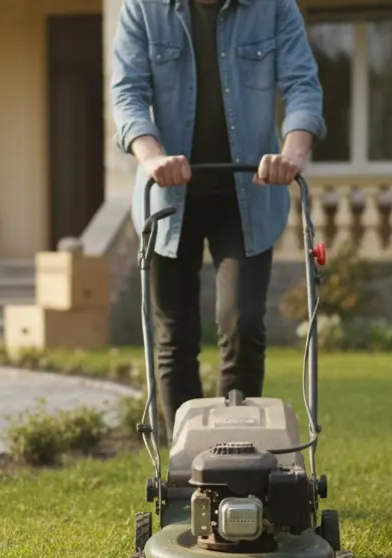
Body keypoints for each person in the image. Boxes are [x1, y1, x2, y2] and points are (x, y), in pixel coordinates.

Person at [111, 0, 325, 427]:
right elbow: (127, 92)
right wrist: (152, 157)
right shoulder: (143, 8)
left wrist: (293, 152)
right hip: (168, 199)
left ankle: (236, 453)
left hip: (248, 194)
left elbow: (302, 84)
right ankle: (184, 470)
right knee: (175, 337)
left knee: (243, 324)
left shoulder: (275, 7)